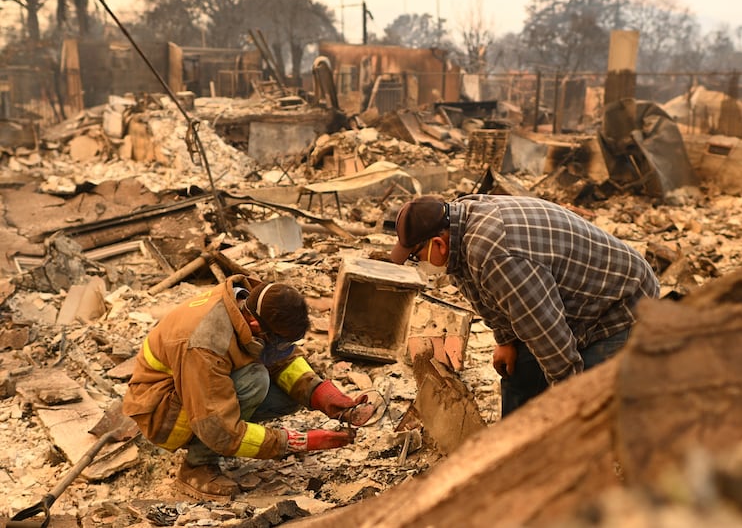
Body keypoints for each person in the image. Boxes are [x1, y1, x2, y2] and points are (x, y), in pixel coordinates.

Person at [390, 194, 659, 417]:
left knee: (587, 400)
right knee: (519, 374)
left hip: (621, 303)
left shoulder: (496, 255)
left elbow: (550, 336)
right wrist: (506, 340)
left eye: (415, 257)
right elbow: (482, 294)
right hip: (571, 300)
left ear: (438, 243)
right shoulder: (458, 229)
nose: (418, 264)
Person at [122, 275, 375, 501]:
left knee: (287, 394)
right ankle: (197, 466)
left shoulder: (256, 304)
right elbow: (217, 428)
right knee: (255, 380)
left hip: (200, 387)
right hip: (163, 411)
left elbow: (281, 359)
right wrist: (299, 442)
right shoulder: (205, 343)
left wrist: (327, 398)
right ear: (255, 326)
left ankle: (227, 441)